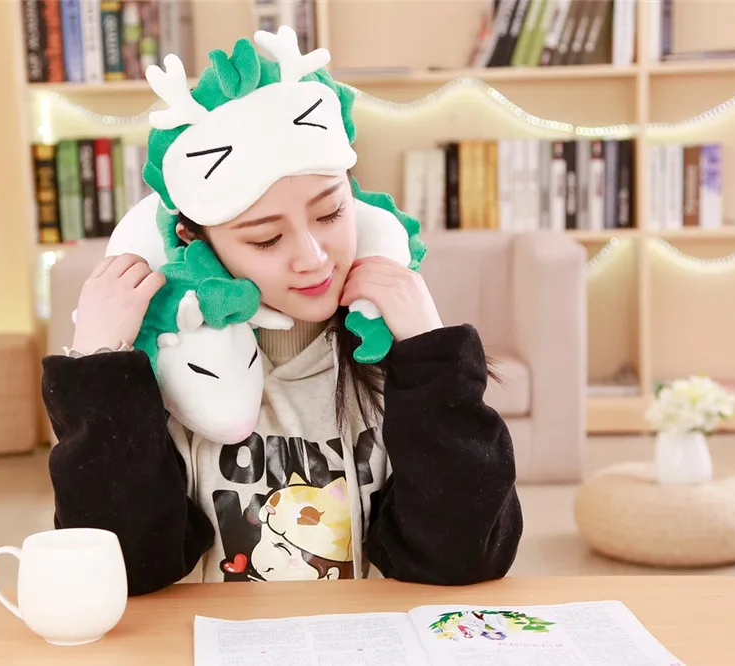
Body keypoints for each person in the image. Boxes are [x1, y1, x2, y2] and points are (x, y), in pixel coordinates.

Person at [42, 27, 522, 596]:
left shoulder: (394, 351)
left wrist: (430, 349)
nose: (313, 258)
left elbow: (467, 556)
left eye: (330, 213)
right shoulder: (173, 364)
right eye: (266, 239)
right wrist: (98, 369)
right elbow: (128, 567)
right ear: (196, 242)